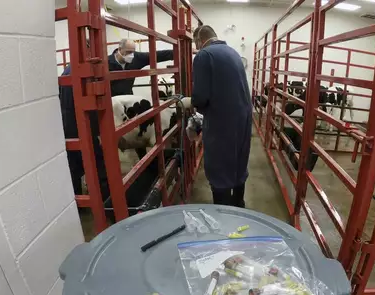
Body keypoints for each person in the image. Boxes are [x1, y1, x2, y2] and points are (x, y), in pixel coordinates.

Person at [59, 39, 174, 202]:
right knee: (95, 158)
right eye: (128, 52)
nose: (130, 55)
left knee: (86, 159)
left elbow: (157, 55)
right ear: (118, 50)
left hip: (123, 110)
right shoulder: (101, 66)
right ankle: (104, 201)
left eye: (133, 51)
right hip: (101, 115)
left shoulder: (134, 59)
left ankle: (93, 197)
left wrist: (182, 51)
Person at [191, 26, 252, 207]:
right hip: (243, 117)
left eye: (196, 43)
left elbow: (200, 98)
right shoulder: (232, 52)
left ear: (199, 40)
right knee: (238, 161)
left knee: (219, 164)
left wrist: (191, 103)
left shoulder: (204, 55)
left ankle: (223, 213)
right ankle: (239, 203)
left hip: (222, 120)